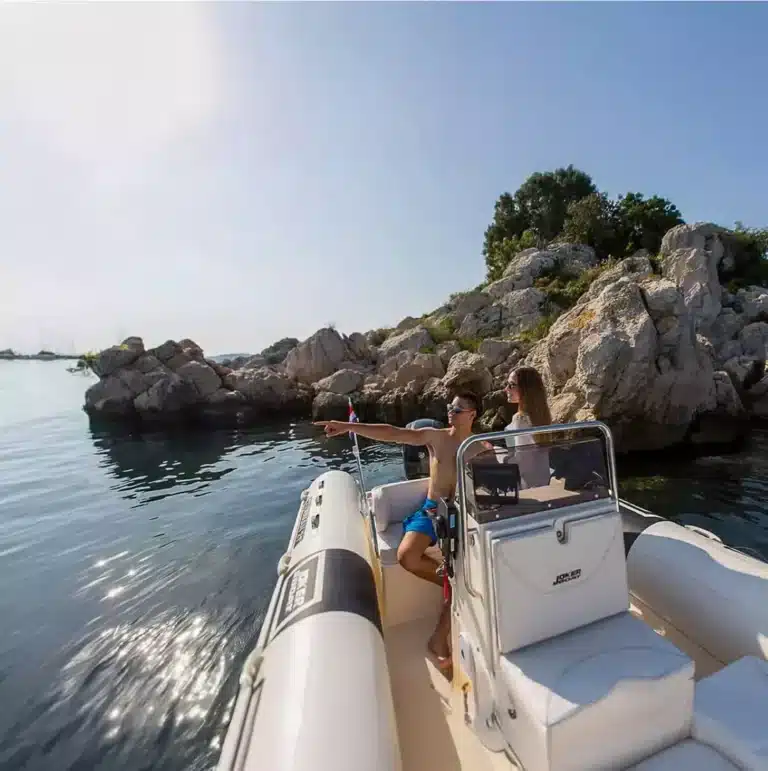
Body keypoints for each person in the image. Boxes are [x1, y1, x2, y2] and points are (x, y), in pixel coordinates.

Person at [314, 390, 484, 670]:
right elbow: (393, 433)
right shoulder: (435, 437)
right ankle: (448, 581)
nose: (451, 412)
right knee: (407, 555)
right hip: (432, 511)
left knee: (467, 571)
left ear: (472, 415)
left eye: (458, 409)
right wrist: (348, 426)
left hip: (464, 515)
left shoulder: (480, 448)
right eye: (450, 407)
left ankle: (440, 632)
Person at [503, 366, 553, 488]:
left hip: (527, 487)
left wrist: (502, 462)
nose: (506, 389)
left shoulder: (521, 419)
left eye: (511, 385)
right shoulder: (541, 416)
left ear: (526, 389)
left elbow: (522, 462)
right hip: (543, 482)